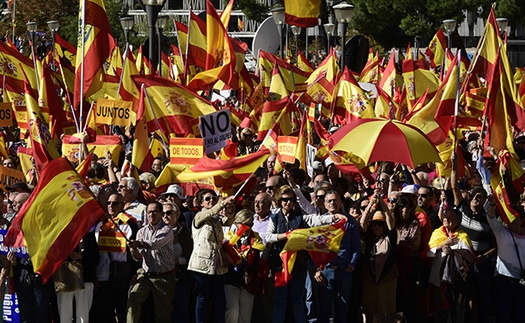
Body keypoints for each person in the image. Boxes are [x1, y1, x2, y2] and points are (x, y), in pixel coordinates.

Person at [265, 185, 342, 323]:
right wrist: (285, 236)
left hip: (298, 265)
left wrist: (333, 217)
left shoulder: (300, 217)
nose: (288, 202)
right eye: (284, 199)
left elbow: (316, 220)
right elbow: (268, 236)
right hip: (280, 265)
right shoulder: (274, 218)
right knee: (280, 300)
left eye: (291, 200)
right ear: (279, 201)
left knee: (297, 299)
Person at [451, 152, 496, 323]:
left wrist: (485, 256)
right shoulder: (462, 210)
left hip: (482, 265)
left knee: (483, 299)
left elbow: (497, 245)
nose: (476, 199)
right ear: (469, 200)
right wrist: (454, 165)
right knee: (462, 297)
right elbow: (454, 187)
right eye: (474, 197)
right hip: (463, 262)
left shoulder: (489, 220)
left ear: (484, 200)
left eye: (480, 197)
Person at [188, 189, 235, 323]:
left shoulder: (217, 219)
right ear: (201, 202)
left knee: (219, 298)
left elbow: (229, 221)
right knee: (202, 297)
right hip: (201, 264)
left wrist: (230, 208)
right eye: (207, 199)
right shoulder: (199, 216)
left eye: (214, 198)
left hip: (217, 263)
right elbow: (210, 212)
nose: (211, 201)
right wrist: (221, 203)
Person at [313, 191, 361, 323]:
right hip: (325, 271)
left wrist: (351, 266)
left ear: (340, 202)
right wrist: (317, 269)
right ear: (325, 204)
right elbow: (313, 248)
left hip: (344, 271)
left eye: (335, 200)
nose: (332, 203)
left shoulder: (350, 221)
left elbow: (356, 247)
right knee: (324, 310)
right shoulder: (319, 222)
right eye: (329, 201)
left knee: (342, 309)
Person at [126, 201, 177, 323]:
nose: (151, 215)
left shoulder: (167, 230)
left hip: (164, 276)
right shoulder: (141, 232)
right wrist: (133, 249)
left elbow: (154, 244)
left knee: (162, 313)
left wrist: (138, 244)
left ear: (160, 213)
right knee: (133, 297)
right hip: (146, 275)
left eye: (155, 212)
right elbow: (138, 257)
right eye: (149, 212)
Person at [93, 193, 139, 323]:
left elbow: (135, 252)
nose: (111, 206)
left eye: (115, 203)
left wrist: (134, 273)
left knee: (122, 311)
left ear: (123, 205)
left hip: (122, 276)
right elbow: (95, 251)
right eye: (108, 203)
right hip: (103, 275)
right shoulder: (100, 224)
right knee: (105, 313)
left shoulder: (129, 223)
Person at [426, 208, 475, 323]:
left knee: (457, 312)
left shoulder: (463, 236)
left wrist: (453, 253)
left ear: (458, 221)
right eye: (445, 217)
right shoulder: (437, 233)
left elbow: (469, 258)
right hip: (438, 280)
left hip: (456, 281)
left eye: (450, 218)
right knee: (440, 312)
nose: (446, 220)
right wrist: (443, 245)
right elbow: (428, 253)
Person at [359, 191, 398, 323]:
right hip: (369, 279)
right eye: (374, 223)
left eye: (380, 224)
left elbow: (389, 218)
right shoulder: (369, 239)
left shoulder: (390, 238)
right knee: (369, 314)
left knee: (385, 315)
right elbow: (362, 223)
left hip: (387, 280)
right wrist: (371, 203)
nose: (377, 226)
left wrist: (381, 201)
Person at [486, 196, 525, 323]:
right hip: (504, 277)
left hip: (522, 279)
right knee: (504, 312)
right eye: (511, 220)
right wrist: (492, 205)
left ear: (521, 220)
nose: (513, 223)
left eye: (516, 219)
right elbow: (491, 218)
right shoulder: (501, 232)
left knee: (520, 313)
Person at [224, 209, 266, 323]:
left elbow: (260, 257)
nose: (248, 228)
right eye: (245, 224)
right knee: (232, 310)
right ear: (236, 223)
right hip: (231, 279)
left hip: (249, 281)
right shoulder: (229, 238)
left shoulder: (256, 239)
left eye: (250, 224)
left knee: (245, 315)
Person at [162, 201, 193, 323]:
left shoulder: (183, 233)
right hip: (161, 279)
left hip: (180, 278)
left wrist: (178, 260)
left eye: (169, 213)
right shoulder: (154, 232)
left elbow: (191, 257)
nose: (165, 216)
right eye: (163, 213)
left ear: (177, 214)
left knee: (180, 312)